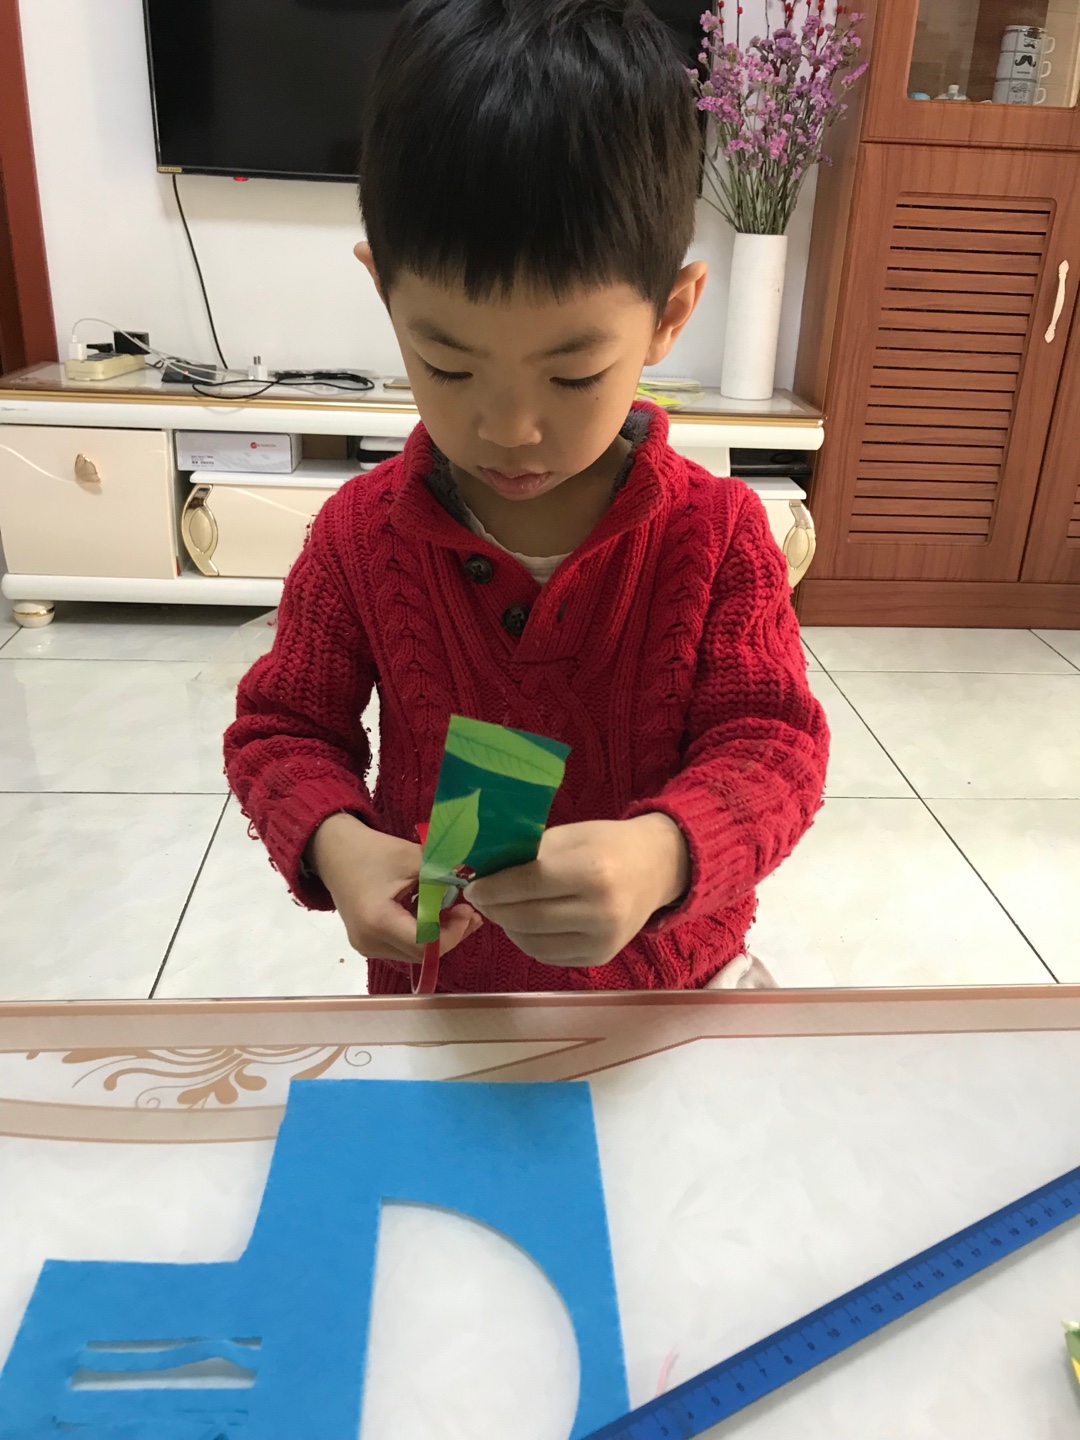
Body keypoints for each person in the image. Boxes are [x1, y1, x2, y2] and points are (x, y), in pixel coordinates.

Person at [224, 0, 829, 995]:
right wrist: (337, 841)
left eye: (573, 373)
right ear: (385, 295)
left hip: (669, 991)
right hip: (449, 996)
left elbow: (772, 748)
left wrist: (664, 853)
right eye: (449, 366)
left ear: (670, 315)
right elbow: (282, 731)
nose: (510, 429)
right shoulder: (359, 537)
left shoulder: (718, 536)